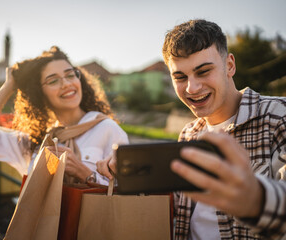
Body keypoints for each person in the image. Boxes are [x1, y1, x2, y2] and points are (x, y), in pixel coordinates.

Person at [97, 19, 286, 239]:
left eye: (203, 71)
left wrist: (253, 198)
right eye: (180, 77)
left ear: (230, 65)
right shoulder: (189, 134)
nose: (192, 88)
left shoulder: (279, 116)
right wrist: (129, 175)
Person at [0, 46, 128, 186]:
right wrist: (8, 86)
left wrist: (84, 173)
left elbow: (125, 194)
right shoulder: (34, 143)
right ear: (39, 93)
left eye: (70, 75)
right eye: (53, 80)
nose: (66, 84)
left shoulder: (107, 129)